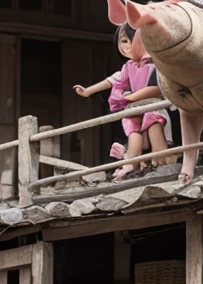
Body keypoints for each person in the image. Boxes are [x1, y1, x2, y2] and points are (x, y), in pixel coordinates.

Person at [73, 24, 171, 180]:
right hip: (134, 109)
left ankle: (162, 162)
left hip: (153, 105)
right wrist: (88, 90)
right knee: (133, 130)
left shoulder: (157, 64)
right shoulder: (128, 66)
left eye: (129, 40)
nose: (125, 46)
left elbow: (155, 88)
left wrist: (130, 97)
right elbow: (112, 80)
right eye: (123, 41)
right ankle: (130, 164)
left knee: (153, 124)